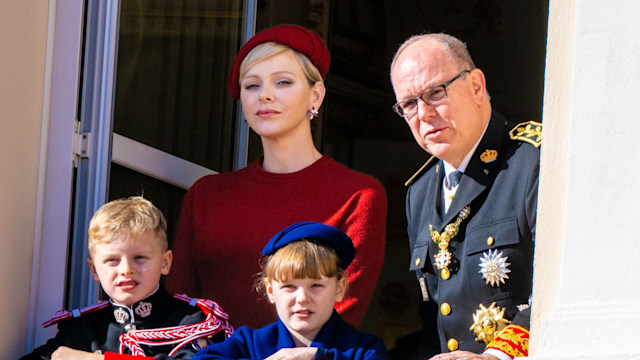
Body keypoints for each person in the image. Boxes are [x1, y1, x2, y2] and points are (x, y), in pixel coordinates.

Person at [167, 24, 387, 329]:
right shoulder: (206, 195)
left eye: (283, 82)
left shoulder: (359, 194)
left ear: (316, 95)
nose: (265, 95)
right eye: (252, 85)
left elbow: (341, 318)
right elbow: (178, 305)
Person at [389, 33, 540, 360]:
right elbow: (434, 321)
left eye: (435, 92)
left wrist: (497, 356)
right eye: (409, 104)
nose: (424, 113)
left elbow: (558, 291)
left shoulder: (533, 163)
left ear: (476, 86)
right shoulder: (420, 191)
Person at [21, 196, 233, 360]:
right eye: (112, 260)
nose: (126, 269)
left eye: (139, 258)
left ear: (165, 262)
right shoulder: (82, 329)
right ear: (94, 270)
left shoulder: (194, 322)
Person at [192, 221, 388, 360]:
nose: (302, 298)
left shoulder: (364, 350)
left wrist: (322, 358)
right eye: (289, 286)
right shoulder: (250, 344)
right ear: (270, 289)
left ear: (340, 286)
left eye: (316, 285)